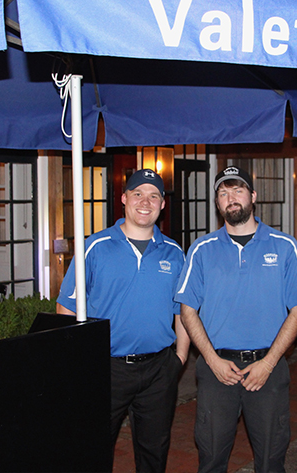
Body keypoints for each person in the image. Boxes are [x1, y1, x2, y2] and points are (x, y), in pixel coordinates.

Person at [175, 166, 297, 473]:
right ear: (217, 203)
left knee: (270, 460)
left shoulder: (284, 246)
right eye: (223, 193)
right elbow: (188, 309)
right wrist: (212, 361)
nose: (231, 198)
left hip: (267, 369)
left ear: (253, 196)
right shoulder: (201, 250)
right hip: (217, 372)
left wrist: (268, 364)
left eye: (237, 190)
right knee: (211, 458)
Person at [56, 169, 190, 473]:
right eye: (138, 194)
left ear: (162, 205)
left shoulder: (174, 252)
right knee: (92, 448)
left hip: (159, 370)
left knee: (154, 453)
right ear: (124, 199)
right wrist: (80, 363)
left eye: (154, 195)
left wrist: (179, 358)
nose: (146, 201)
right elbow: (66, 307)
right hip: (106, 369)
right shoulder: (94, 247)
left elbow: (182, 312)